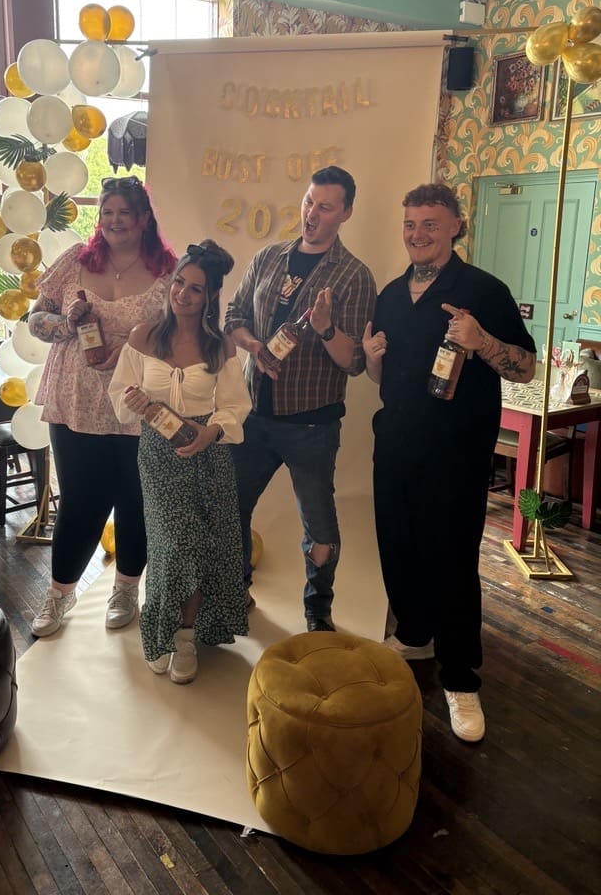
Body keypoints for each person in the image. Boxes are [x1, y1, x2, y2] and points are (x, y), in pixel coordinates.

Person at [363, 182, 536, 743]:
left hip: (455, 453)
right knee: (398, 544)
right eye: (410, 223)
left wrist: (481, 339)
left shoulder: (483, 290)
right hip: (395, 444)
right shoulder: (391, 294)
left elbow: (525, 367)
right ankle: (414, 634)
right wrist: (370, 361)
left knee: (454, 562)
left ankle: (461, 679)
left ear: (456, 226)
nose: (418, 234)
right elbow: (385, 379)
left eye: (430, 224)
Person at [224, 165, 376, 632]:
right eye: (309, 201)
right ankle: (234, 593)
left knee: (320, 526)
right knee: (231, 508)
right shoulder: (268, 257)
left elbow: (353, 362)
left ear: (345, 213)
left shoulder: (354, 276)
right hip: (254, 416)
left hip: (313, 425)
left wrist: (328, 327)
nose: (311, 213)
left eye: (325, 207)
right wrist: (253, 346)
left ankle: (318, 611)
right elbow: (234, 315)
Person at [29, 176, 177, 638]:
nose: (115, 220)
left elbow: (182, 333)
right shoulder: (75, 260)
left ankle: (127, 587)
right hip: (76, 398)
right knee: (80, 501)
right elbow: (35, 318)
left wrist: (137, 346)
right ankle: (59, 593)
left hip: (137, 398)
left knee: (137, 499)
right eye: (107, 212)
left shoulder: (168, 271)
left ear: (144, 219)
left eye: (125, 212)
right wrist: (65, 324)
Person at [109, 239, 251, 683]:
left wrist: (212, 431)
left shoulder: (219, 345)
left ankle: (186, 638)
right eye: (179, 283)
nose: (182, 294)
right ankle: (161, 631)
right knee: (171, 548)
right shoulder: (143, 336)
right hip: (158, 456)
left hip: (208, 459)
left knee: (203, 548)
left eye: (195, 289)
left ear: (209, 297)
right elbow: (120, 396)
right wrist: (133, 400)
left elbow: (234, 405)